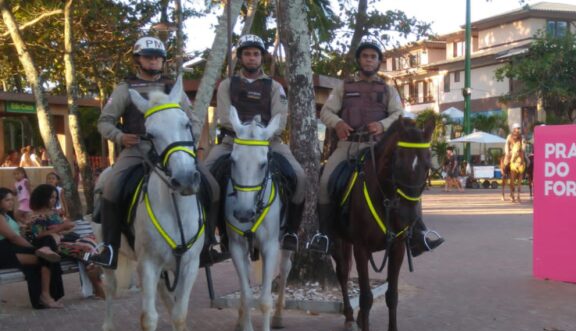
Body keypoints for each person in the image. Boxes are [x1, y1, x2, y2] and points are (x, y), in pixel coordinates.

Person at [85, 36, 219, 268]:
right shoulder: (125, 89)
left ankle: (207, 244)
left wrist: (186, 142)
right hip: (138, 149)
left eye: (158, 57)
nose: (154, 61)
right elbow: (104, 122)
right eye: (149, 57)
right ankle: (109, 248)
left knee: (211, 185)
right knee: (112, 187)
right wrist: (120, 137)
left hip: (171, 152)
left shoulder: (173, 89)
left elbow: (193, 120)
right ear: (138, 59)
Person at [307, 38, 444, 257]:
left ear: (379, 61)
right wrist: (338, 123)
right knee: (324, 182)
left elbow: (399, 114)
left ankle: (418, 234)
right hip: (349, 146)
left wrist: (382, 125)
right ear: (359, 60)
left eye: (373, 57)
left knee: (408, 182)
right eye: (365, 56)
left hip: (379, 148)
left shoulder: (388, 90)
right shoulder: (344, 86)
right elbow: (326, 112)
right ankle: (325, 235)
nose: (369, 60)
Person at [204, 34, 306, 252]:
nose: (252, 58)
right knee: (206, 178)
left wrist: (260, 135)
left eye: (256, 54)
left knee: (299, 176)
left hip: (268, 142)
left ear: (262, 57)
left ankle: (290, 232)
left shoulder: (274, 87)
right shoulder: (226, 85)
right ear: (240, 58)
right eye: (247, 54)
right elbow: (224, 117)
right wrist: (244, 132)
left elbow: (280, 119)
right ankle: (211, 234)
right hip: (233, 142)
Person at [29, 184, 105, 299]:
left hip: (67, 240)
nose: (54, 200)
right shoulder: (36, 216)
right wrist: (61, 227)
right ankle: (97, 286)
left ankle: (96, 279)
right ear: (42, 198)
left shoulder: (54, 212)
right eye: (51, 197)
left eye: (55, 197)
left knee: (92, 242)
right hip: (54, 246)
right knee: (87, 250)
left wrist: (67, 227)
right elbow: (39, 236)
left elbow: (63, 230)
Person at [0, 187, 64, 309]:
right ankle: (45, 296)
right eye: (7, 200)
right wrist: (33, 248)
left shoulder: (8, 215)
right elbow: (13, 237)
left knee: (47, 242)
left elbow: (18, 235)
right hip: (3, 251)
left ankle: (43, 297)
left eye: (12, 200)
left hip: (13, 247)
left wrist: (26, 229)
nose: (11, 203)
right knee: (46, 258)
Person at [501, 123, 524, 202]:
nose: (518, 129)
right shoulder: (509, 136)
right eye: (517, 128)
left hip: (519, 152)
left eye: (519, 128)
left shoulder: (521, 136)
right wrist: (507, 153)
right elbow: (506, 144)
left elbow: (522, 144)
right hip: (510, 152)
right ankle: (505, 173)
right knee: (506, 163)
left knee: (527, 160)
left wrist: (522, 150)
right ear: (514, 129)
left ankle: (525, 173)